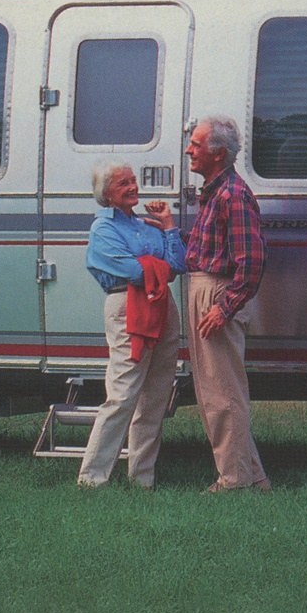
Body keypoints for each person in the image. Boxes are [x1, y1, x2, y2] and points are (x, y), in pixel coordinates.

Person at [77, 161, 186, 489]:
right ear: (107, 194)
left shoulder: (147, 225)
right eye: (123, 183)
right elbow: (134, 272)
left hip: (162, 305)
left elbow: (178, 263)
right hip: (127, 305)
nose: (133, 187)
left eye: (133, 180)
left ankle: (142, 478)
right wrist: (157, 264)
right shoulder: (103, 229)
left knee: (156, 395)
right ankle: (92, 478)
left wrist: (168, 225)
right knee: (123, 394)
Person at [182, 116, 272, 492]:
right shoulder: (216, 192)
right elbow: (208, 248)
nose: (189, 150)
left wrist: (224, 307)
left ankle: (233, 481)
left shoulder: (232, 195)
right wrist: (170, 229)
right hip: (208, 290)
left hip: (216, 295)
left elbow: (252, 260)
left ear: (218, 153)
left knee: (222, 394)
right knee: (218, 390)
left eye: (196, 144)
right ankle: (254, 478)